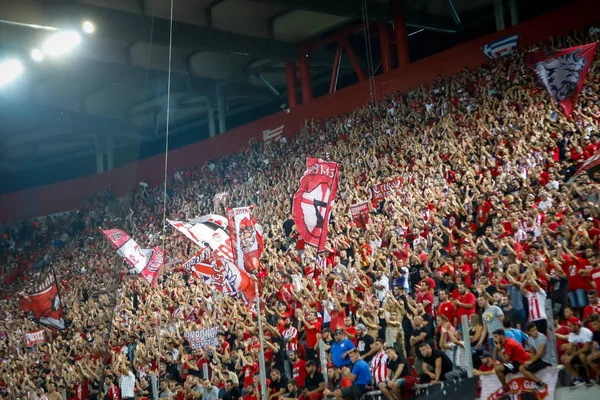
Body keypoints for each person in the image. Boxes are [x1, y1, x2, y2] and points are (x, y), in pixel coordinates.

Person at [557, 317, 594, 388]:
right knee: (564, 358)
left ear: (576, 325)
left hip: (589, 351)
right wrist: (566, 353)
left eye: (570, 326)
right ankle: (578, 378)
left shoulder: (585, 332)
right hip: (579, 352)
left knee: (581, 356)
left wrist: (572, 355)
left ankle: (588, 376)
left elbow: (586, 348)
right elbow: (570, 347)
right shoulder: (571, 334)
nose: (569, 328)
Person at [492, 329, 531, 395]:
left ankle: (506, 388)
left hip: (520, 362)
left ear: (501, 336)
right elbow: (494, 359)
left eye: (496, 337)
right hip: (515, 361)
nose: (494, 339)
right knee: (497, 367)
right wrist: (496, 348)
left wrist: (499, 350)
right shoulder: (504, 342)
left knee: (498, 369)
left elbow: (506, 361)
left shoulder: (509, 344)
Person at [519, 323, 551, 390]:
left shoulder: (541, 337)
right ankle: (538, 383)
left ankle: (539, 383)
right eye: (533, 331)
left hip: (546, 360)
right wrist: (531, 362)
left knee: (523, 369)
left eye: (536, 329)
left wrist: (531, 361)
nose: (535, 332)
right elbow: (532, 352)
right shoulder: (530, 340)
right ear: (528, 332)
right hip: (540, 359)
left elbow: (540, 353)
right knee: (522, 368)